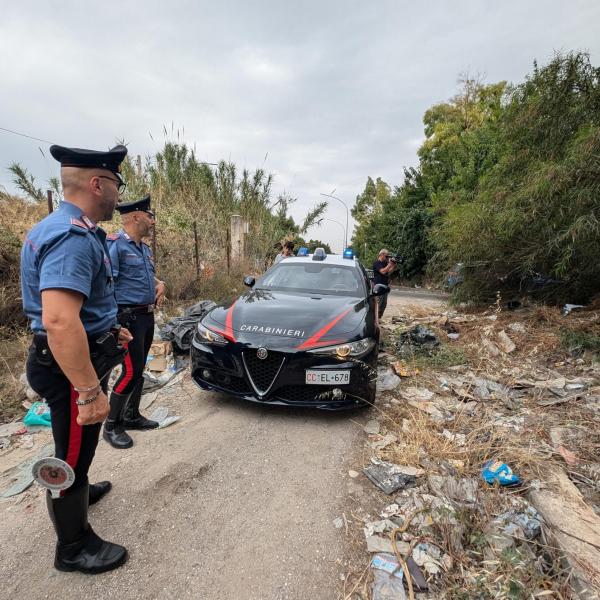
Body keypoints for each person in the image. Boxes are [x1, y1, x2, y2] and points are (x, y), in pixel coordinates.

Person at [21, 143, 133, 574]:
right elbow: (61, 321)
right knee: (70, 455)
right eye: (115, 186)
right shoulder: (72, 237)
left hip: (74, 360)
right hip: (69, 370)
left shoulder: (72, 227)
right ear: (96, 183)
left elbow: (83, 310)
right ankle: (73, 547)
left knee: (78, 445)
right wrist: (88, 391)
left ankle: (80, 491)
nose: (116, 197)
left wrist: (109, 330)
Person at [103, 195, 165, 449]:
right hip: (127, 318)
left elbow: (144, 276)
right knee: (129, 371)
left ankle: (132, 415)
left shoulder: (143, 248)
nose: (152, 221)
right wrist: (114, 322)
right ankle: (111, 425)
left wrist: (160, 283)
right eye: (150, 216)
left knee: (138, 370)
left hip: (146, 316)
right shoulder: (115, 245)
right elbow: (106, 285)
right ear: (137, 217)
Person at [372, 249, 395, 319]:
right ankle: (375, 318)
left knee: (384, 304)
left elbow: (389, 271)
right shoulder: (376, 263)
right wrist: (389, 264)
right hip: (378, 286)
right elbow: (382, 271)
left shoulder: (385, 263)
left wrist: (393, 265)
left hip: (385, 286)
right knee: (378, 303)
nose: (387, 258)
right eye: (386, 256)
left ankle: (379, 317)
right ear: (382, 255)